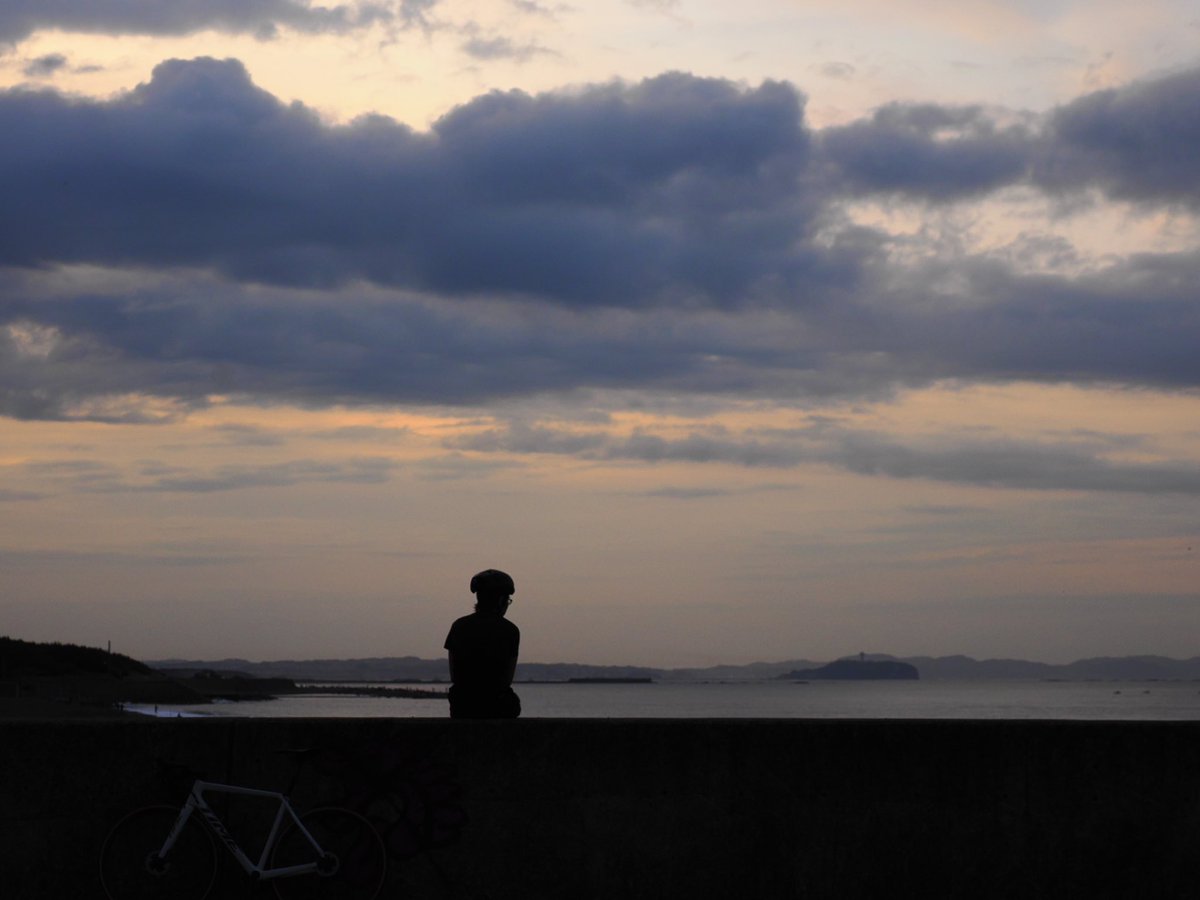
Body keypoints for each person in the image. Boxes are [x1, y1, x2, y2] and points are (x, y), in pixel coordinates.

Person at [444, 569, 521, 719]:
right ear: (501, 601)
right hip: (497, 706)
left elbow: (455, 675)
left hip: (464, 705)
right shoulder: (510, 630)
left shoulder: (459, 626)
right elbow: (507, 679)